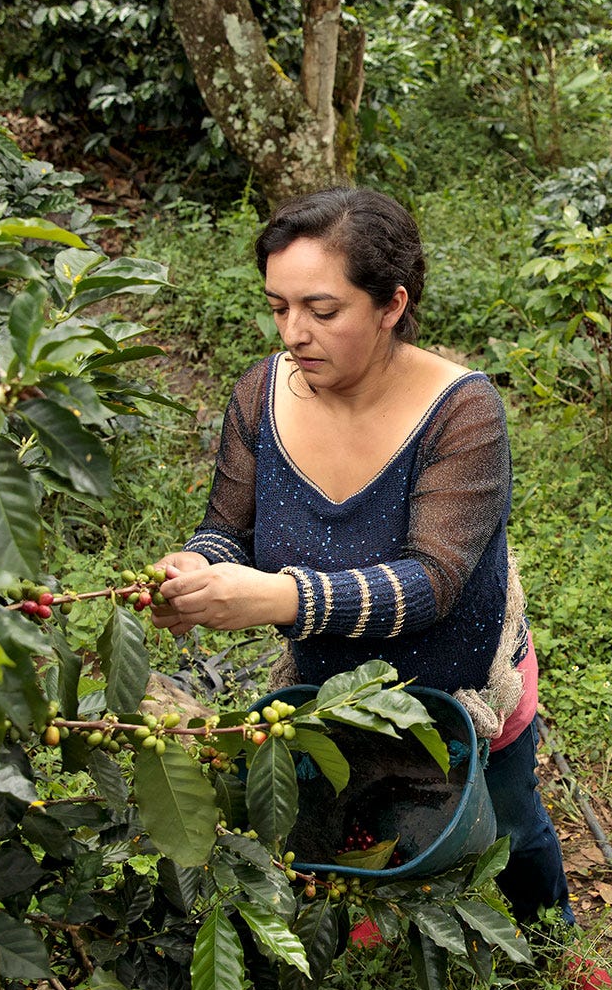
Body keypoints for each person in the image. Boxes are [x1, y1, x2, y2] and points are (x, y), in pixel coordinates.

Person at [148, 187, 576, 933]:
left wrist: (280, 598)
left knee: (511, 824)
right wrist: (194, 566)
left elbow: (432, 581)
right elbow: (227, 528)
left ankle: (554, 936)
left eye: (322, 309)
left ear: (390, 304)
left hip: (465, 682)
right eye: (278, 307)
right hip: (333, 689)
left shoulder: (461, 411)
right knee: (346, 823)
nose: (294, 333)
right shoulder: (260, 397)